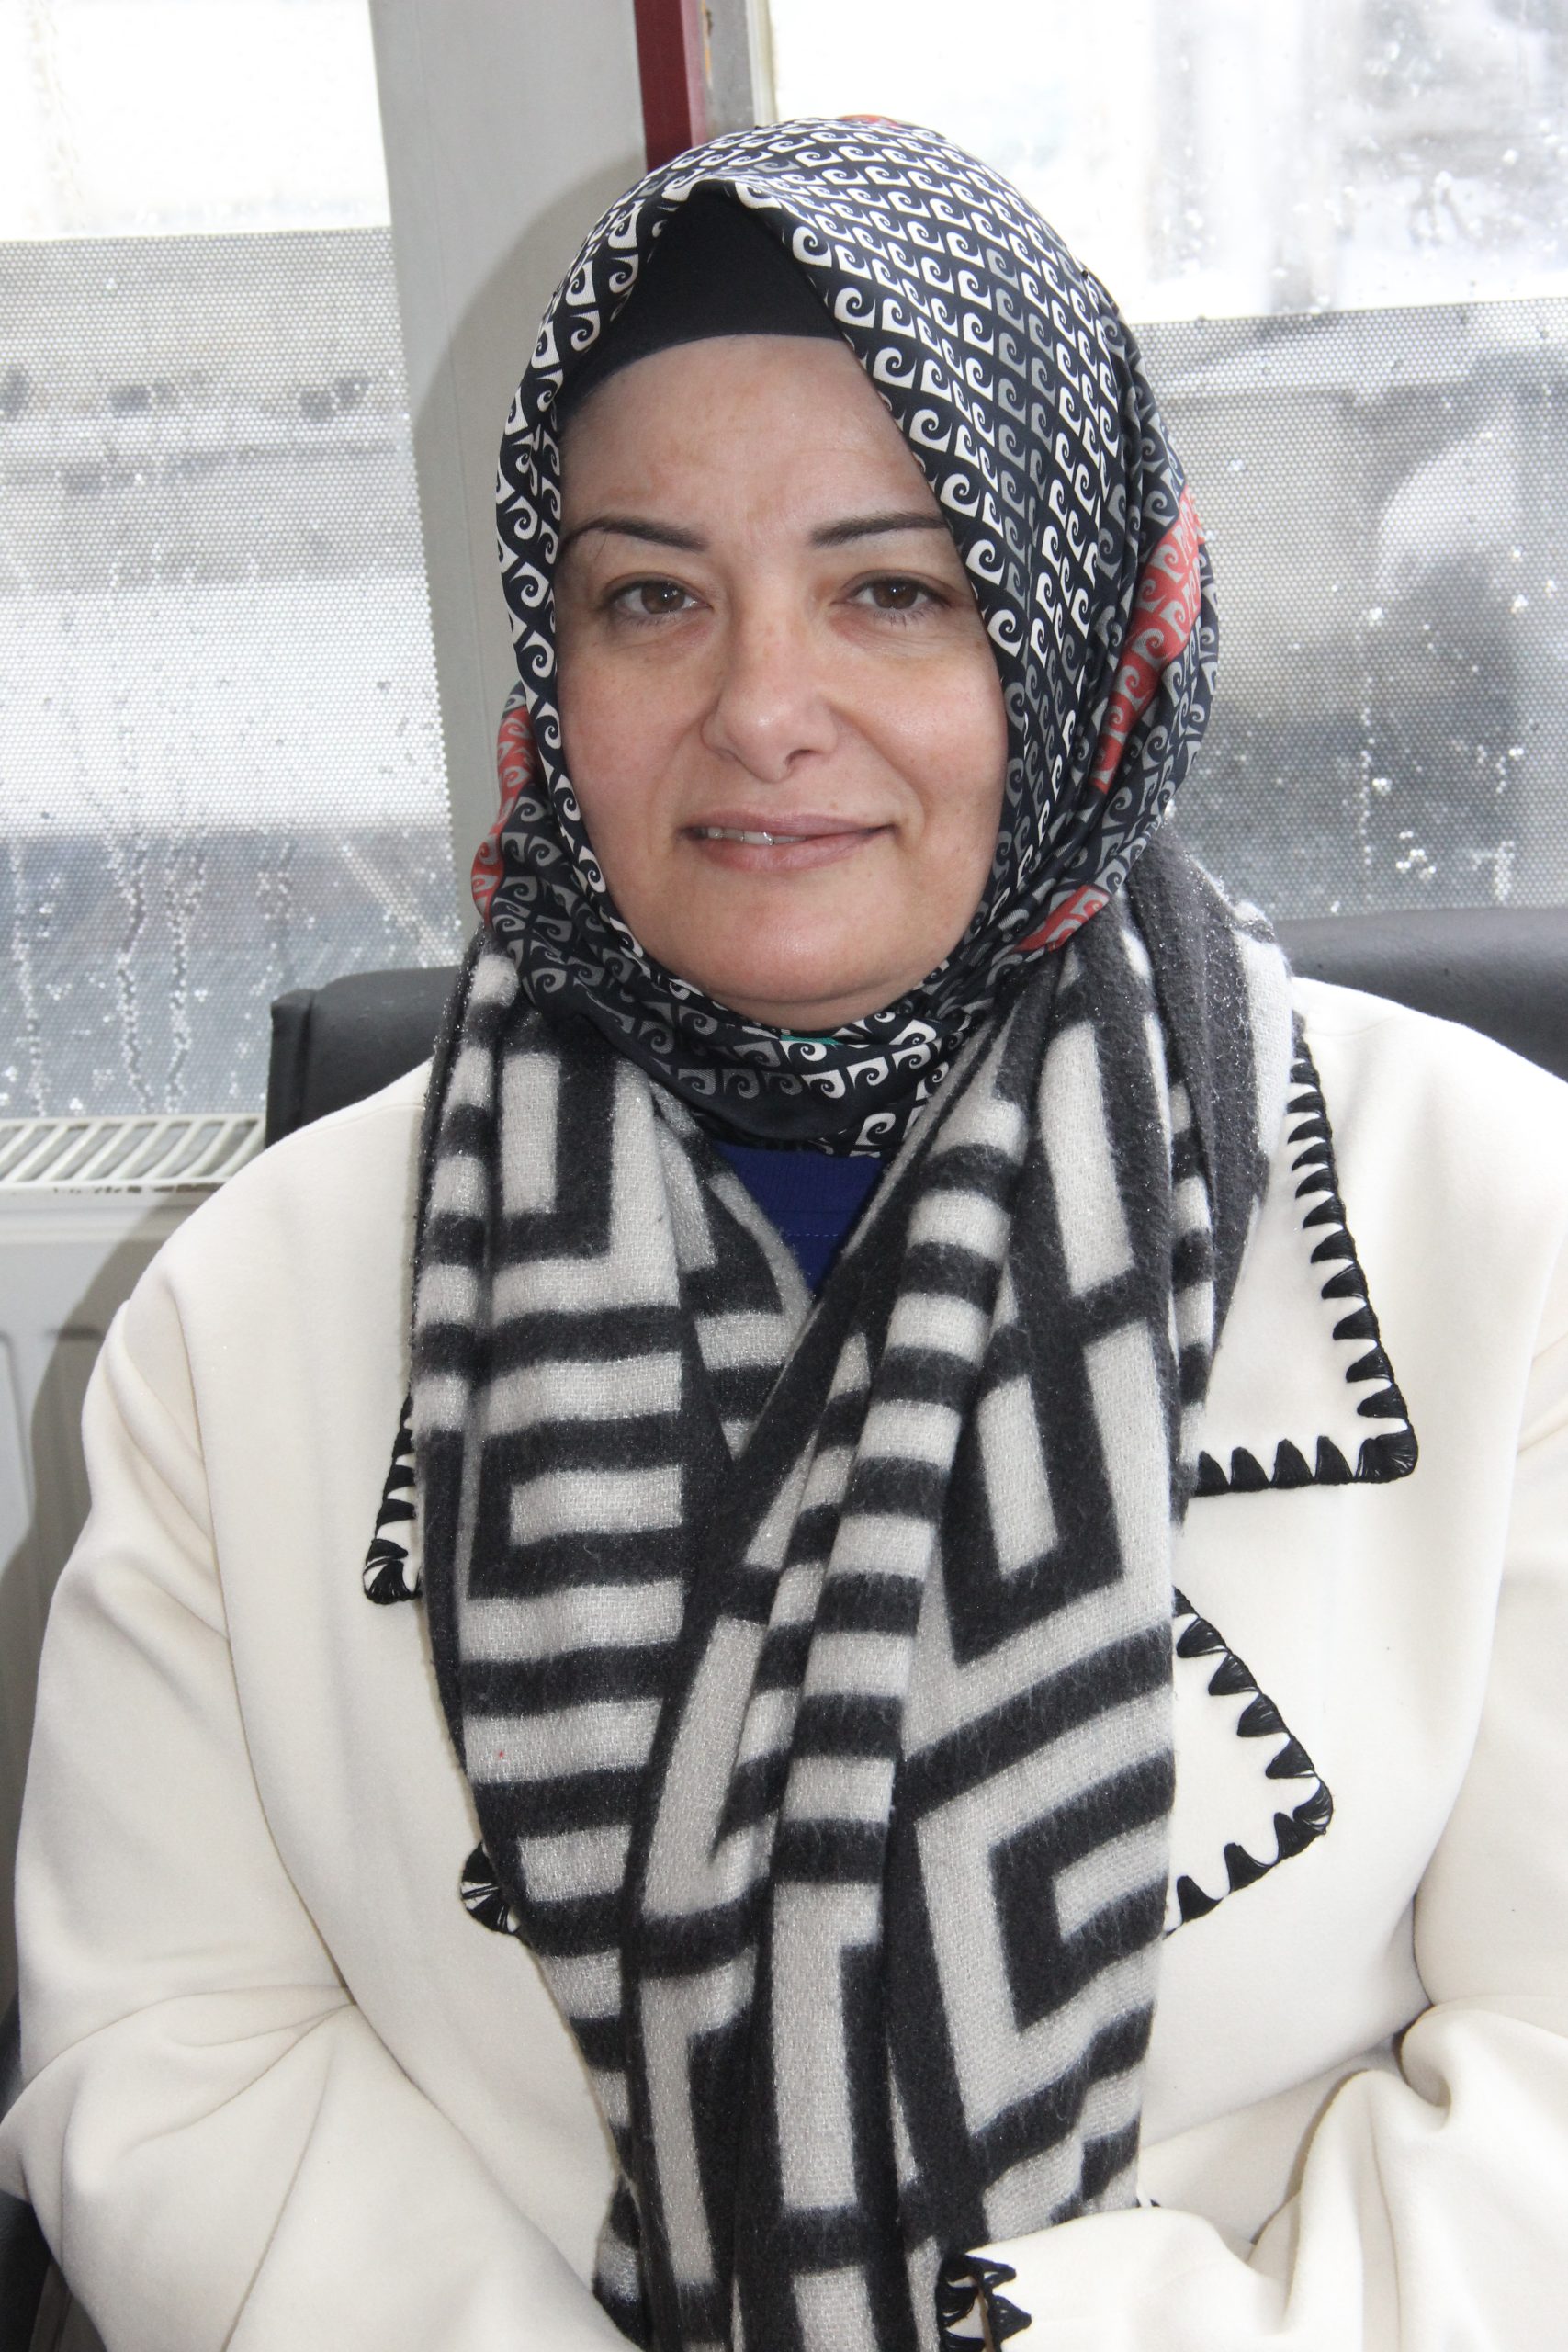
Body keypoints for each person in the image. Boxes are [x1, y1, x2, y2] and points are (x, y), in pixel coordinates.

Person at [4, 115, 1568, 2352]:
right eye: (649, 594)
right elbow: (177, 2046)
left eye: (892, 590)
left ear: (1074, 627)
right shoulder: (252, 1312)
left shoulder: (1497, 1224)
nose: (756, 709)